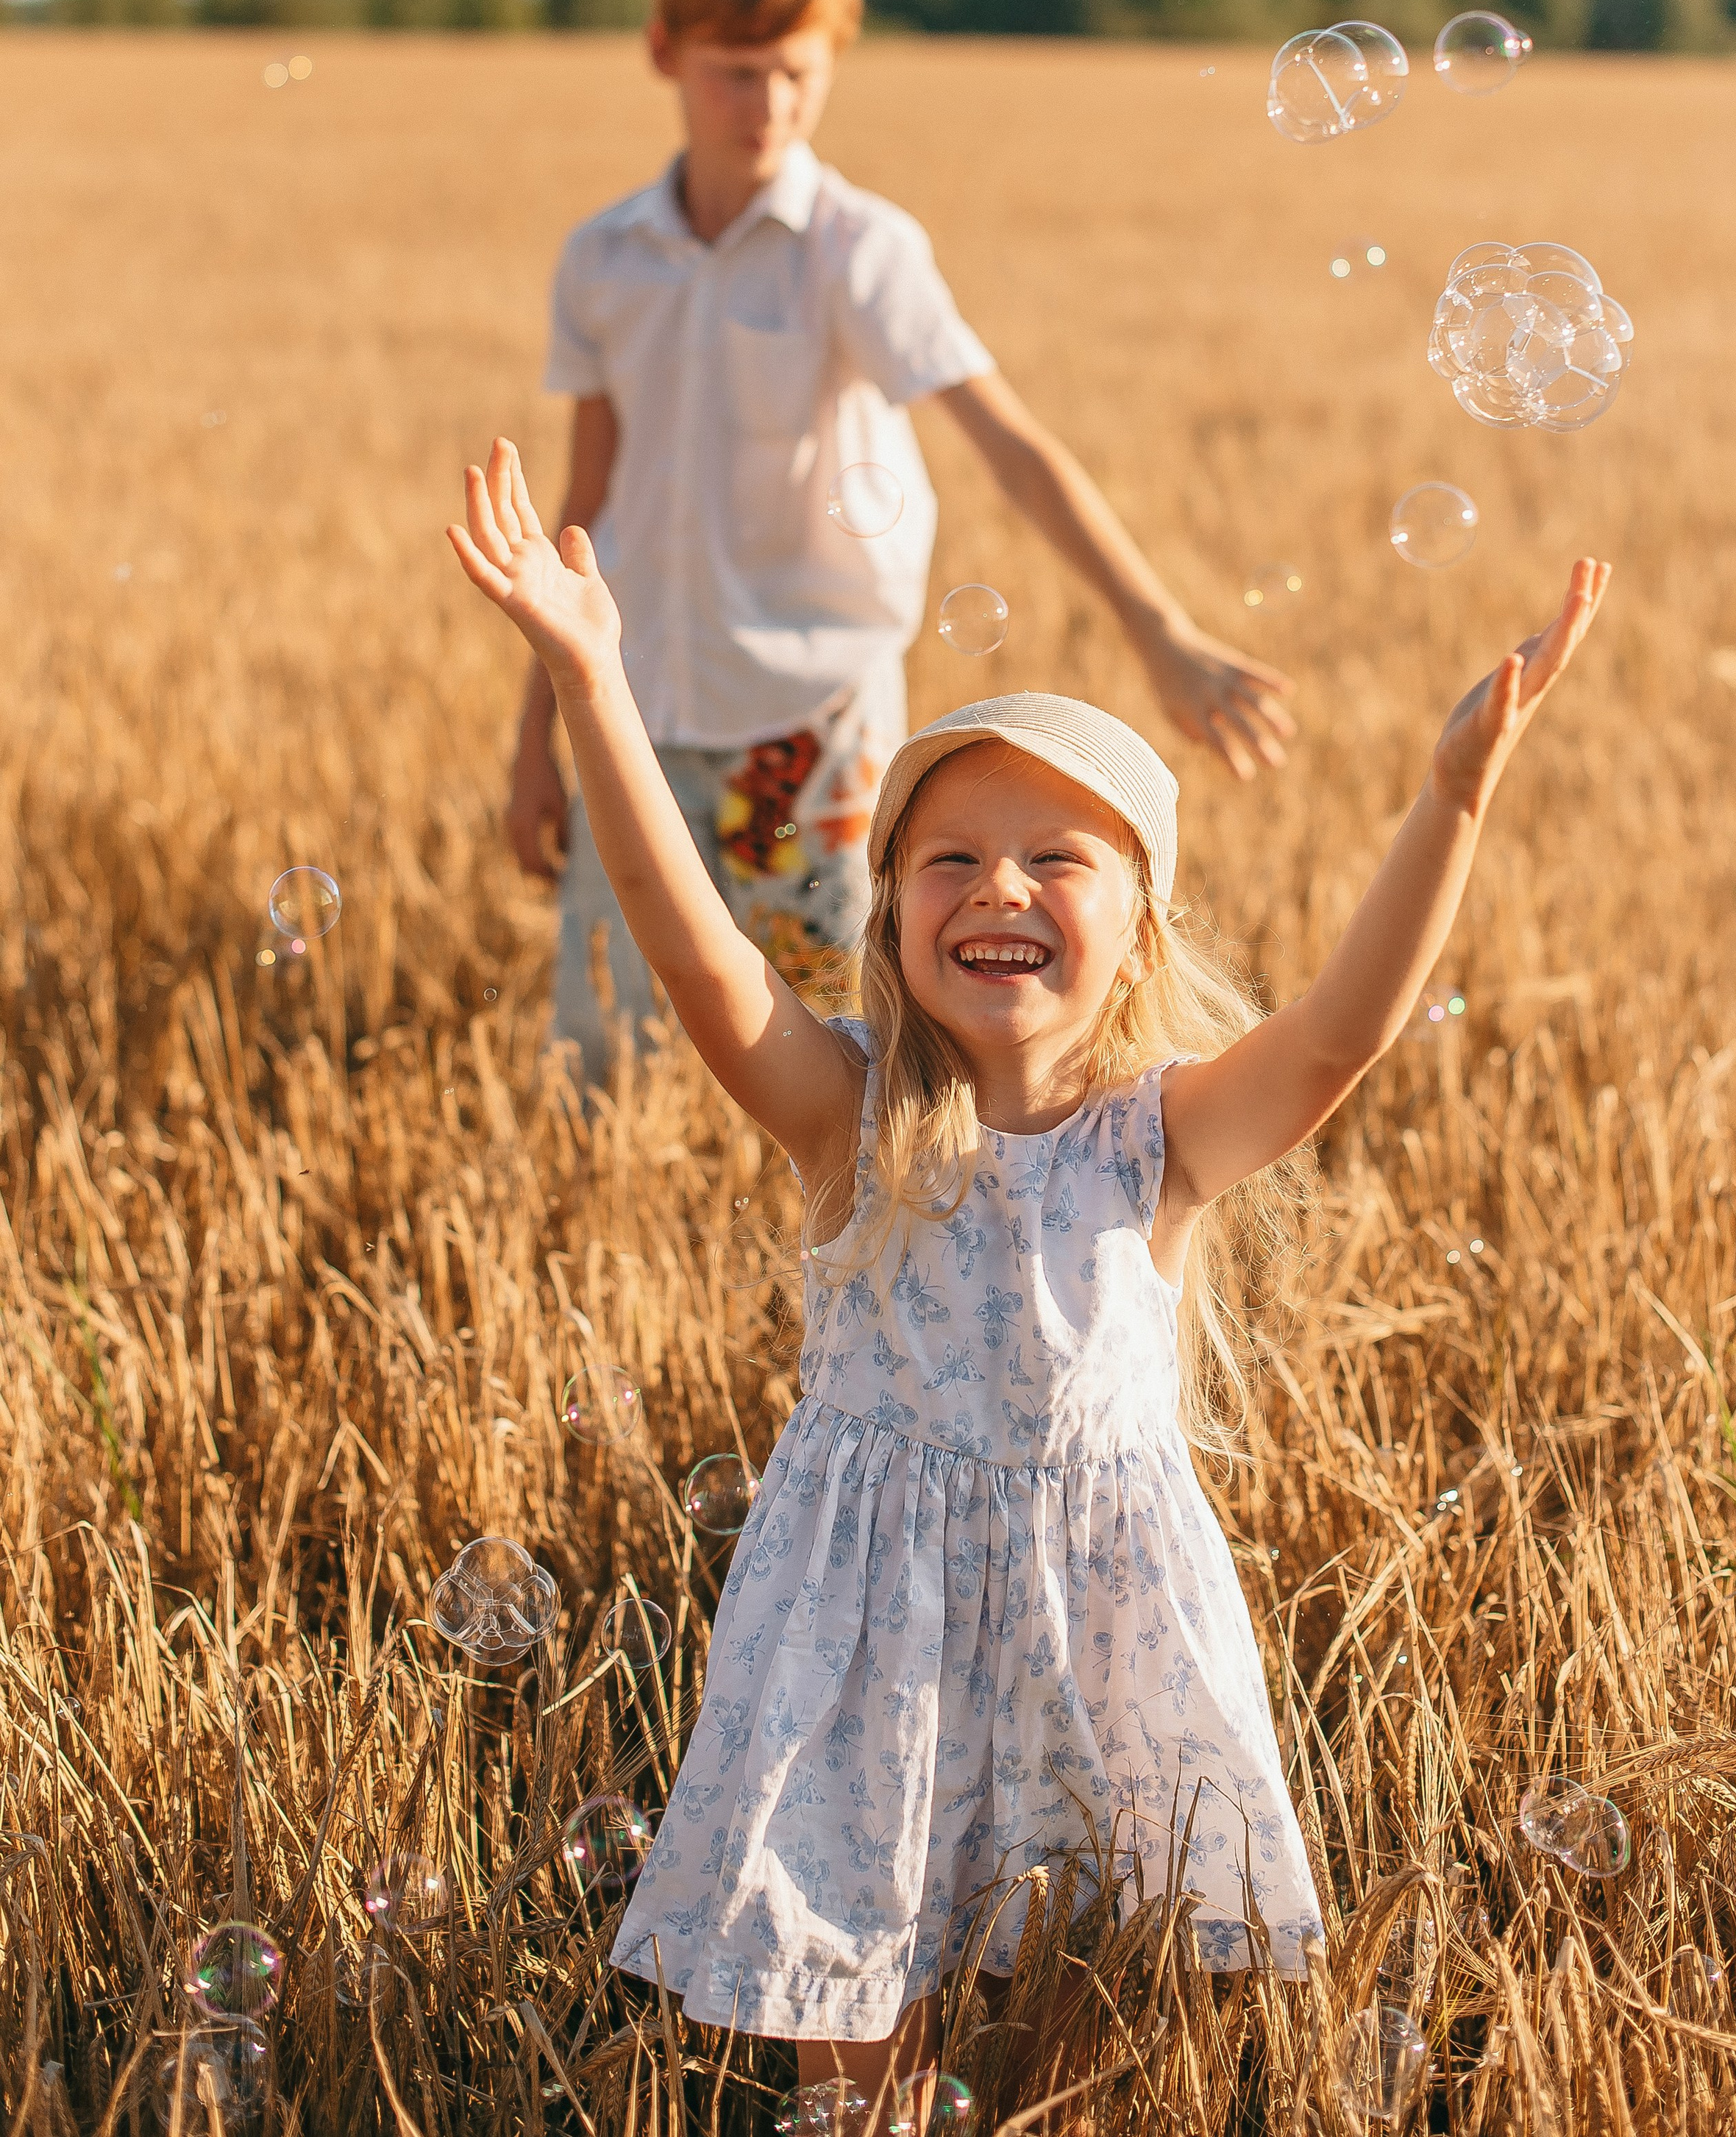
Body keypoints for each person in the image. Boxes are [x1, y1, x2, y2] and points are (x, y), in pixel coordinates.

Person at [449, 432, 1610, 2096]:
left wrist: (1449, 800)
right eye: (949, 857)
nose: (997, 885)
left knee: (1064, 2052)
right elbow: (680, 924)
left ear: (1140, 923)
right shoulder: (845, 1115)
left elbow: (1343, 1031)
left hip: (1099, 1659)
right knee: (856, 2069)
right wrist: (588, 675)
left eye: (1055, 858)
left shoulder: (1165, 1139)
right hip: (863, 1659)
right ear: (893, 911)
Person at [506, 0, 1298, 1081]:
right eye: (735, 73)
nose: (767, 105)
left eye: (796, 74)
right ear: (664, 52)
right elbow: (583, 514)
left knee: (835, 1053)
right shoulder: (604, 258)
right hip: (642, 709)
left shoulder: (858, 251)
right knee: (608, 1040)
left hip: (812, 720)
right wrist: (538, 736)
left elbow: (1010, 444)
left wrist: (1160, 630)